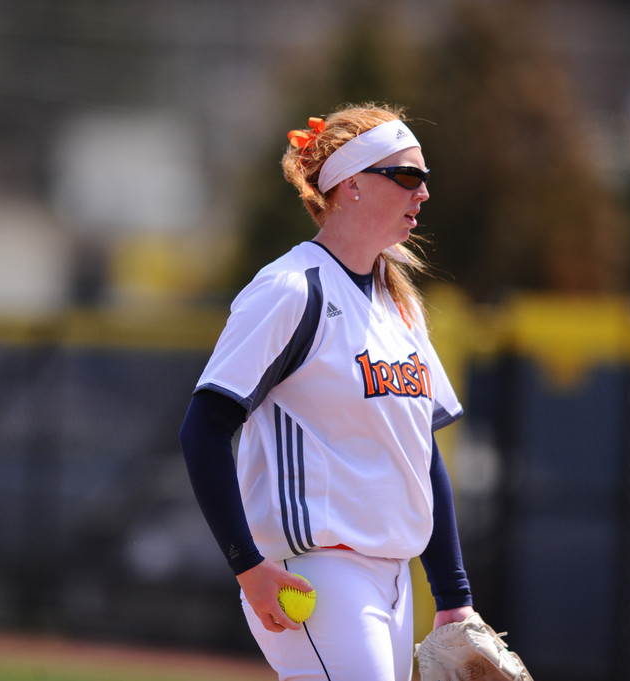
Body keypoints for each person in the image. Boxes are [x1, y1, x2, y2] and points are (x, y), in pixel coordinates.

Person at [179, 102, 475, 680]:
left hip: (393, 582)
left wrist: (453, 596)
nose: (424, 193)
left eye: (425, 179)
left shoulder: (401, 307)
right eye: (408, 176)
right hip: (315, 573)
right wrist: (247, 565)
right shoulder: (291, 290)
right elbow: (203, 429)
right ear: (353, 184)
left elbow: (420, 453)